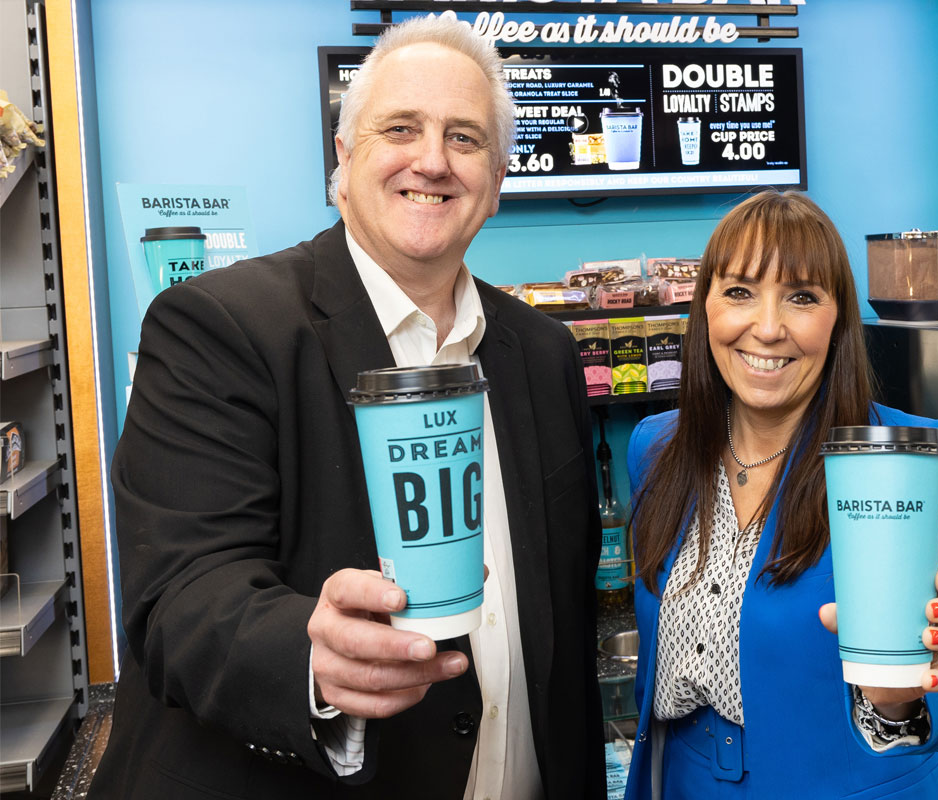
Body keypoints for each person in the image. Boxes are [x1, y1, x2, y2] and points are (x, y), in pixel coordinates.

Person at [89, 15, 603, 800]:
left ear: (498, 180)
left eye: (465, 139)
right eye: (401, 128)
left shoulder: (542, 352)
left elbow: (560, 628)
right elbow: (181, 598)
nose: (432, 160)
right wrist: (310, 657)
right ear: (345, 156)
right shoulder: (218, 326)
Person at [623, 190, 938, 799]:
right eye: (739, 292)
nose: (766, 328)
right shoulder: (656, 449)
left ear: (838, 318)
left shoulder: (901, 457)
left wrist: (898, 699)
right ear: (704, 308)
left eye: (801, 297)